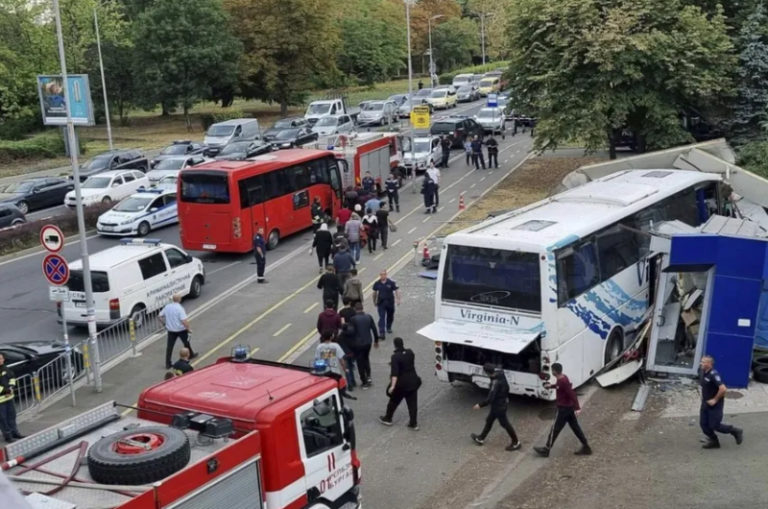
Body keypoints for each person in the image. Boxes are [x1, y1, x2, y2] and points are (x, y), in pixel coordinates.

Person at [534, 363, 591, 457]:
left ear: (555, 371)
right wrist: (551, 386)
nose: (551, 372)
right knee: (576, 428)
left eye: (552, 370)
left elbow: (571, 394)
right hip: (569, 408)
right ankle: (586, 446)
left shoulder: (562, 381)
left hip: (563, 410)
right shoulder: (562, 378)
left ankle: (546, 449)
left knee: (554, 430)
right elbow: (559, 387)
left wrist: (578, 408)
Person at [470, 363, 521, 451]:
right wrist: (505, 396)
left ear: (487, 372)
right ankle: (481, 438)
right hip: (500, 404)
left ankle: (516, 442)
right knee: (489, 420)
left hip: (499, 406)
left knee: (505, 424)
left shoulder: (495, 382)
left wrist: (480, 405)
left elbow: (490, 398)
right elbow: (507, 387)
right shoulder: (500, 373)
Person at [698, 355, 743, 449]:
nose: (701, 363)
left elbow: (723, 389)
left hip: (715, 405)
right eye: (701, 361)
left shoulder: (714, 374)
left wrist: (715, 400)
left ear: (710, 364)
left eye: (703, 362)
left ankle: (735, 431)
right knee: (703, 424)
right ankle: (714, 441)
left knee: (714, 425)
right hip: (705, 402)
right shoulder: (702, 371)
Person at [379, 337, 422, 430]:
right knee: (412, 404)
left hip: (401, 385)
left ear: (395, 345)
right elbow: (406, 362)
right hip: (413, 382)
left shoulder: (395, 357)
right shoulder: (410, 352)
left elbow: (395, 374)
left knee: (393, 402)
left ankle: (388, 418)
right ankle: (413, 423)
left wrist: (392, 386)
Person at [160, 294, 197, 370]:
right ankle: (190, 354)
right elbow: (184, 320)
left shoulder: (167, 307)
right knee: (186, 342)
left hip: (171, 330)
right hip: (181, 330)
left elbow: (159, 316)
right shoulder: (180, 308)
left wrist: (164, 324)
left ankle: (168, 363)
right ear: (179, 299)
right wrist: (188, 328)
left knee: (170, 347)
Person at [349, 302, 380, 389]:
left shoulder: (353, 319)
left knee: (360, 362)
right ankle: (369, 376)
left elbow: (351, 332)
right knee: (366, 359)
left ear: (355, 309)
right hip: (368, 342)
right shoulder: (369, 317)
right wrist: (376, 341)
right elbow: (374, 329)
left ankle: (364, 381)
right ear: (362, 308)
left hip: (358, 344)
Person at [0, 354, 23, 443]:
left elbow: (12, 378)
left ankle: (15, 433)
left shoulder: (6, 368)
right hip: (1, 400)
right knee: (3, 419)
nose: (0, 360)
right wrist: (6, 391)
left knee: (12, 416)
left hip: (9, 398)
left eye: (1, 358)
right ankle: (8, 436)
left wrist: (11, 387)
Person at [372, 270, 400, 340]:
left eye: (383, 274)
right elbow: (374, 292)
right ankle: (382, 332)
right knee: (381, 317)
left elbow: (396, 290)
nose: (382, 276)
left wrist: (398, 299)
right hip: (381, 303)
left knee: (390, 316)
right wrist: (374, 301)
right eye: (381, 275)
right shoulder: (377, 283)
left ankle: (388, 327)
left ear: (386, 275)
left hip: (390, 302)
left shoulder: (391, 282)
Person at [338, 298, 358, 390]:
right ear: (350, 302)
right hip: (352, 351)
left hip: (345, 353)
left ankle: (350, 383)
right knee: (351, 365)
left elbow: (342, 321)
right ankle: (353, 381)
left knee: (347, 368)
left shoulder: (341, 336)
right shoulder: (353, 311)